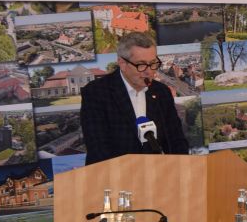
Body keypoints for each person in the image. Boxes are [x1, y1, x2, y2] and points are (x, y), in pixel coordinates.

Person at [80, 31, 189, 165]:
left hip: (157, 172)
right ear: (122, 63)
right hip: (114, 173)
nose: (149, 71)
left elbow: (176, 139)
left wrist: (181, 168)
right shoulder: (95, 92)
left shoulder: (162, 92)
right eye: (141, 65)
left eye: (153, 63)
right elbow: (98, 149)